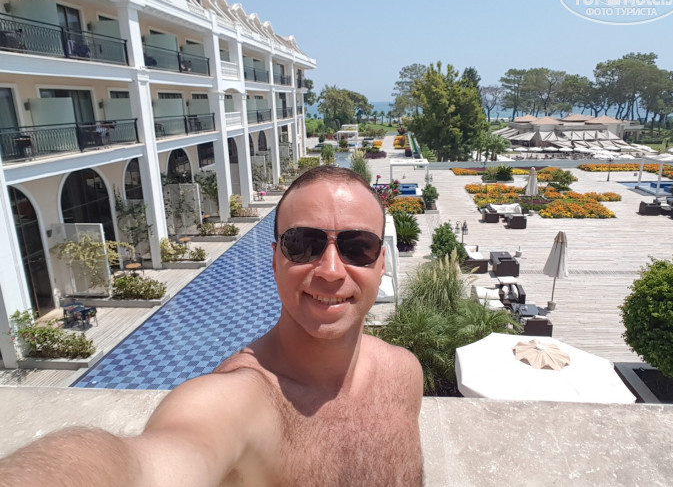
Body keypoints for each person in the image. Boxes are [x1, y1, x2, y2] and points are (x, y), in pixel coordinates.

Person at [0, 166, 424, 486]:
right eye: (304, 245)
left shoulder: (404, 374)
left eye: (358, 247)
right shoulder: (238, 402)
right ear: (275, 260)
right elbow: (146, 465)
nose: (330, 270)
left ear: (380, 263)